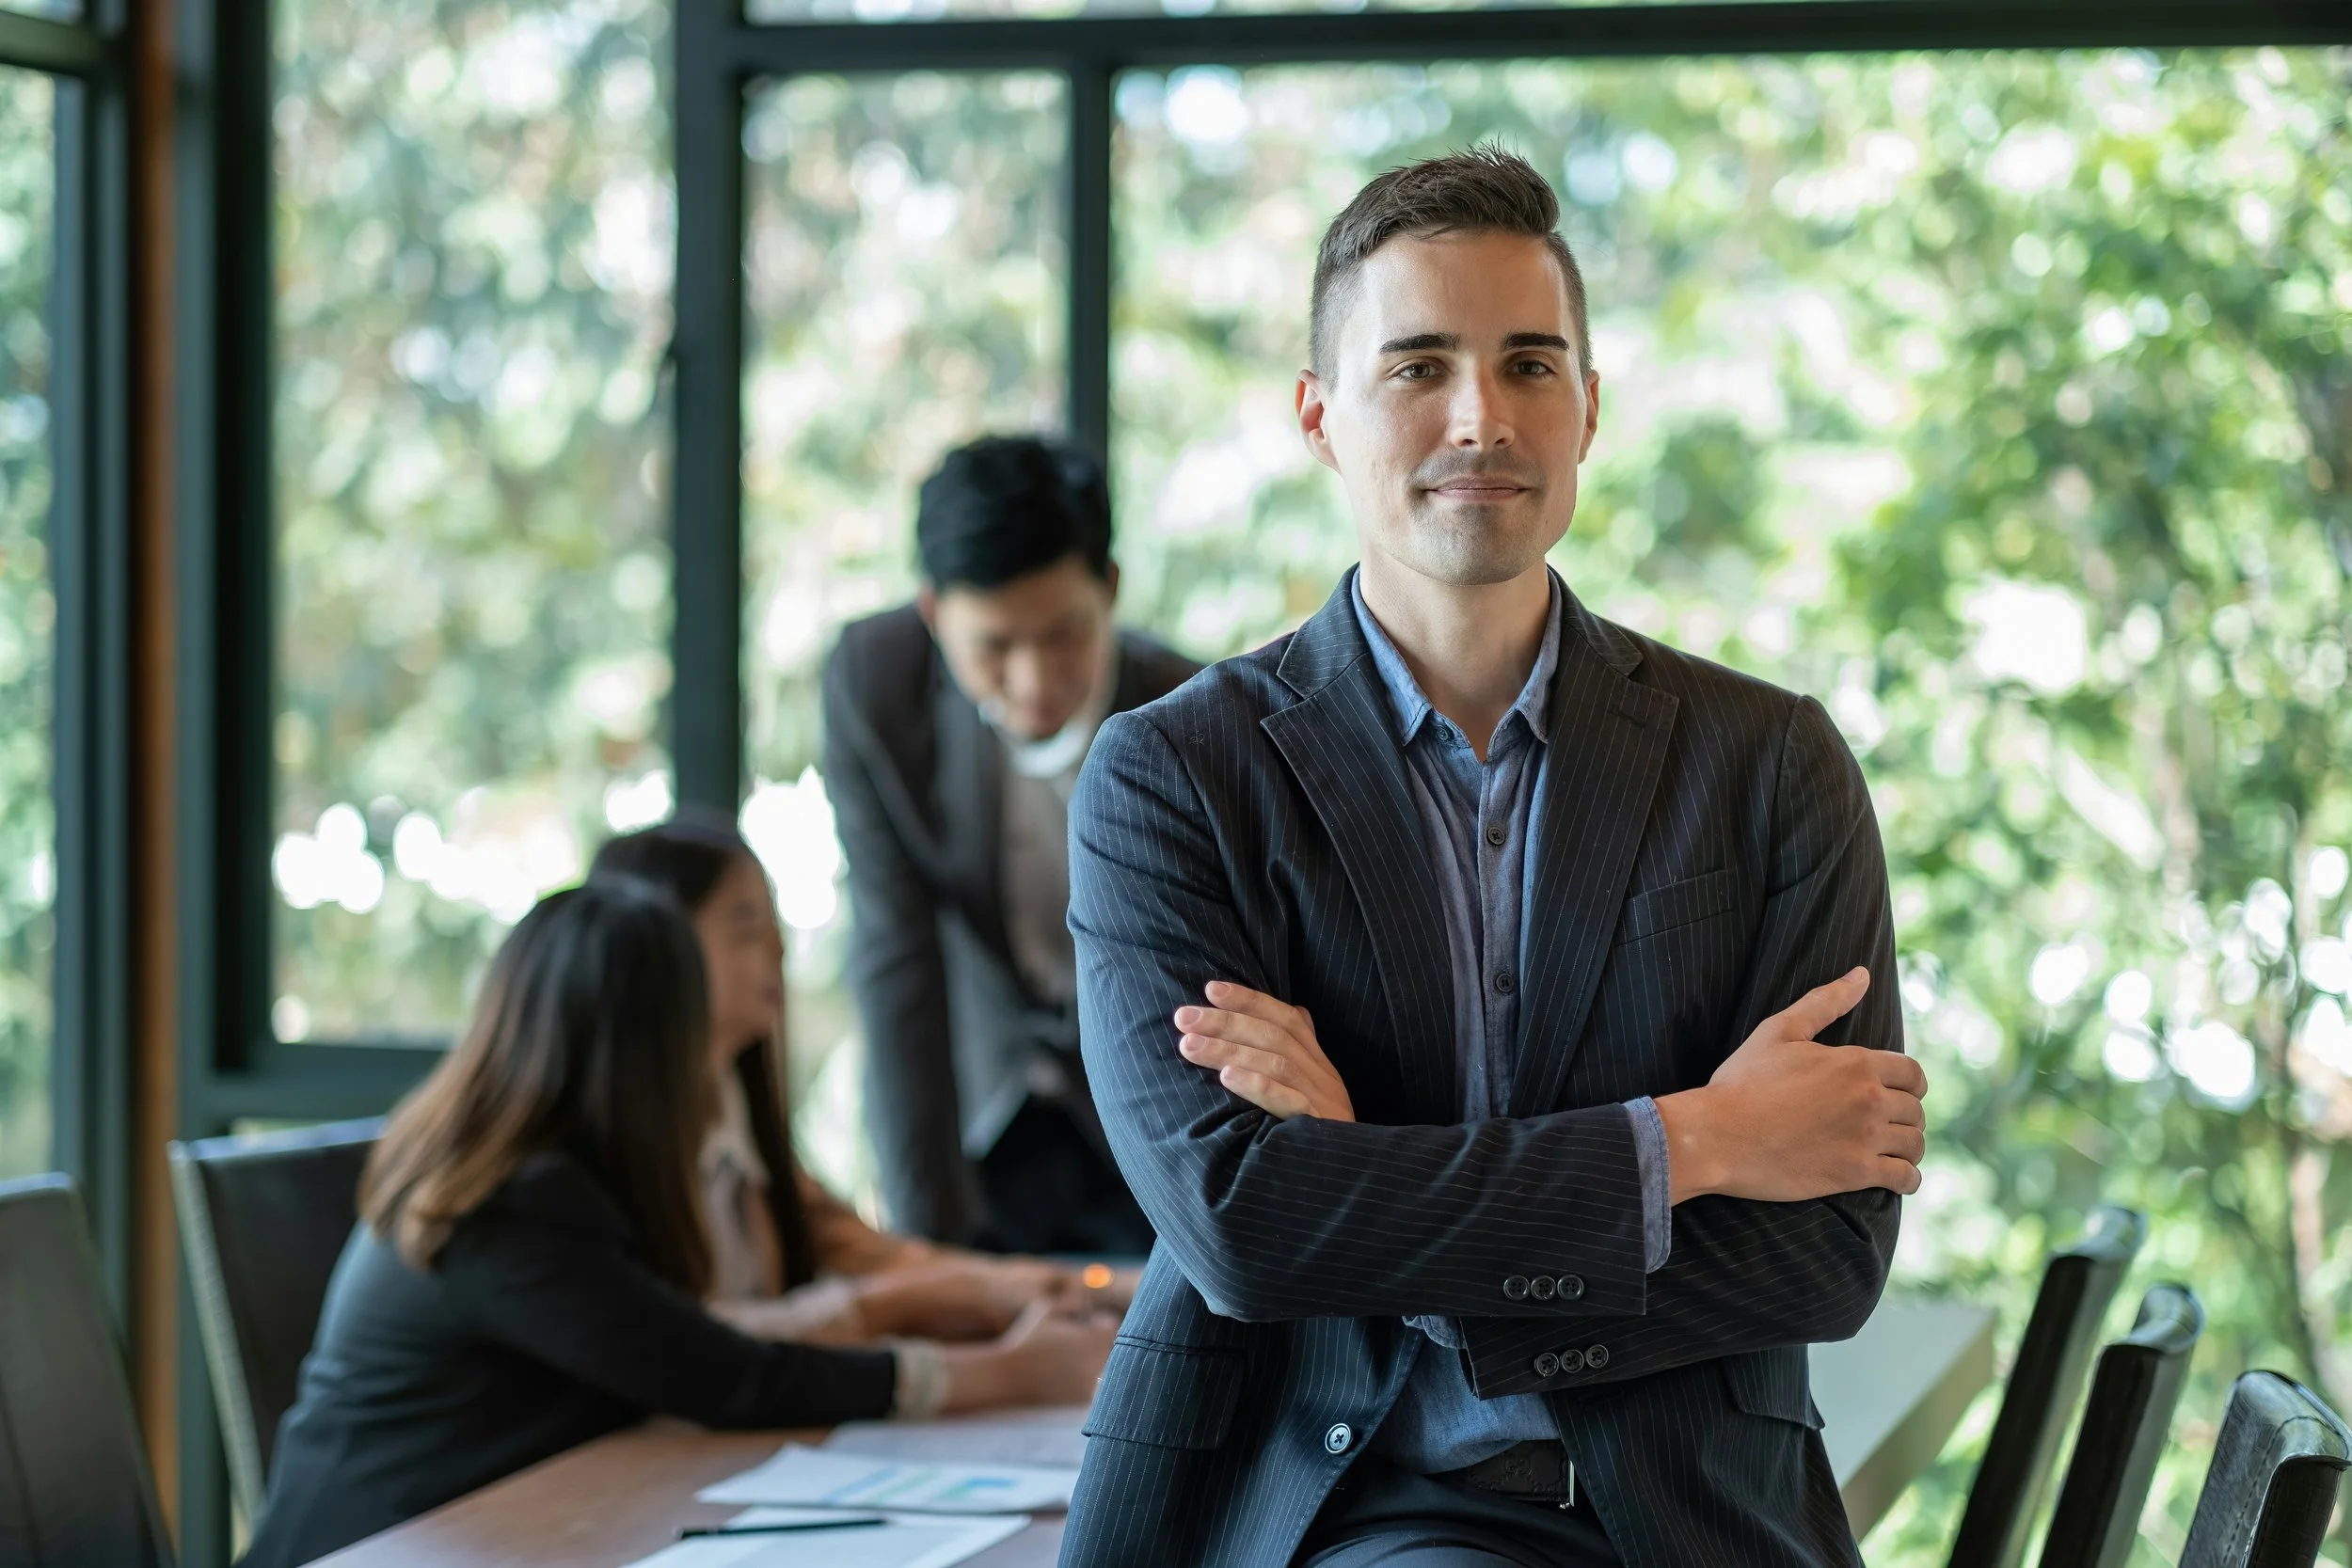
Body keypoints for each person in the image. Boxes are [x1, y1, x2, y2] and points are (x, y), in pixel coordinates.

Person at [1060, 147, 1931, 1568]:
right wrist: (1698, 1141)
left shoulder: (1771, 762)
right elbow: (1242, 1229)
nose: (1483, 416)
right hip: (1336, 1510)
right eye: (1417, 367)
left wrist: (1367, 1184)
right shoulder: (1174, 777)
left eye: (1531, 364)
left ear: (1589, 408)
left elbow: (1826, 1248)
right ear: (1318, 415)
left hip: (1695, 1517)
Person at [243, 880, 1115, 1568]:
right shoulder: (509, 1206)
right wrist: (999, 1375)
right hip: (382, 1548)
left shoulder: (532, 1174)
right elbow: (722, 1377)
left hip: (507, 1528)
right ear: (644, 1048)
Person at [821, 435, 1199, 1252]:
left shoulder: (1193, 710)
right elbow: (895, 960)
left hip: (1155, 1127)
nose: (1032, 681)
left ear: (1110, 588)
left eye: (1064, 635)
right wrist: (924, 1241)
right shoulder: (875, 685)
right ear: (933, 614)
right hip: (985, 1118)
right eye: (992, 647)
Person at [586, 814, 1136, 1340]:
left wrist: (1096, 1290)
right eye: (746, 926)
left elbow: (893, 1264)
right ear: (652, 941)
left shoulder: (739, 1127)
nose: (778, 949)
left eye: (773, 923)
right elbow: (691, 1348)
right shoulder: (591, 1166)